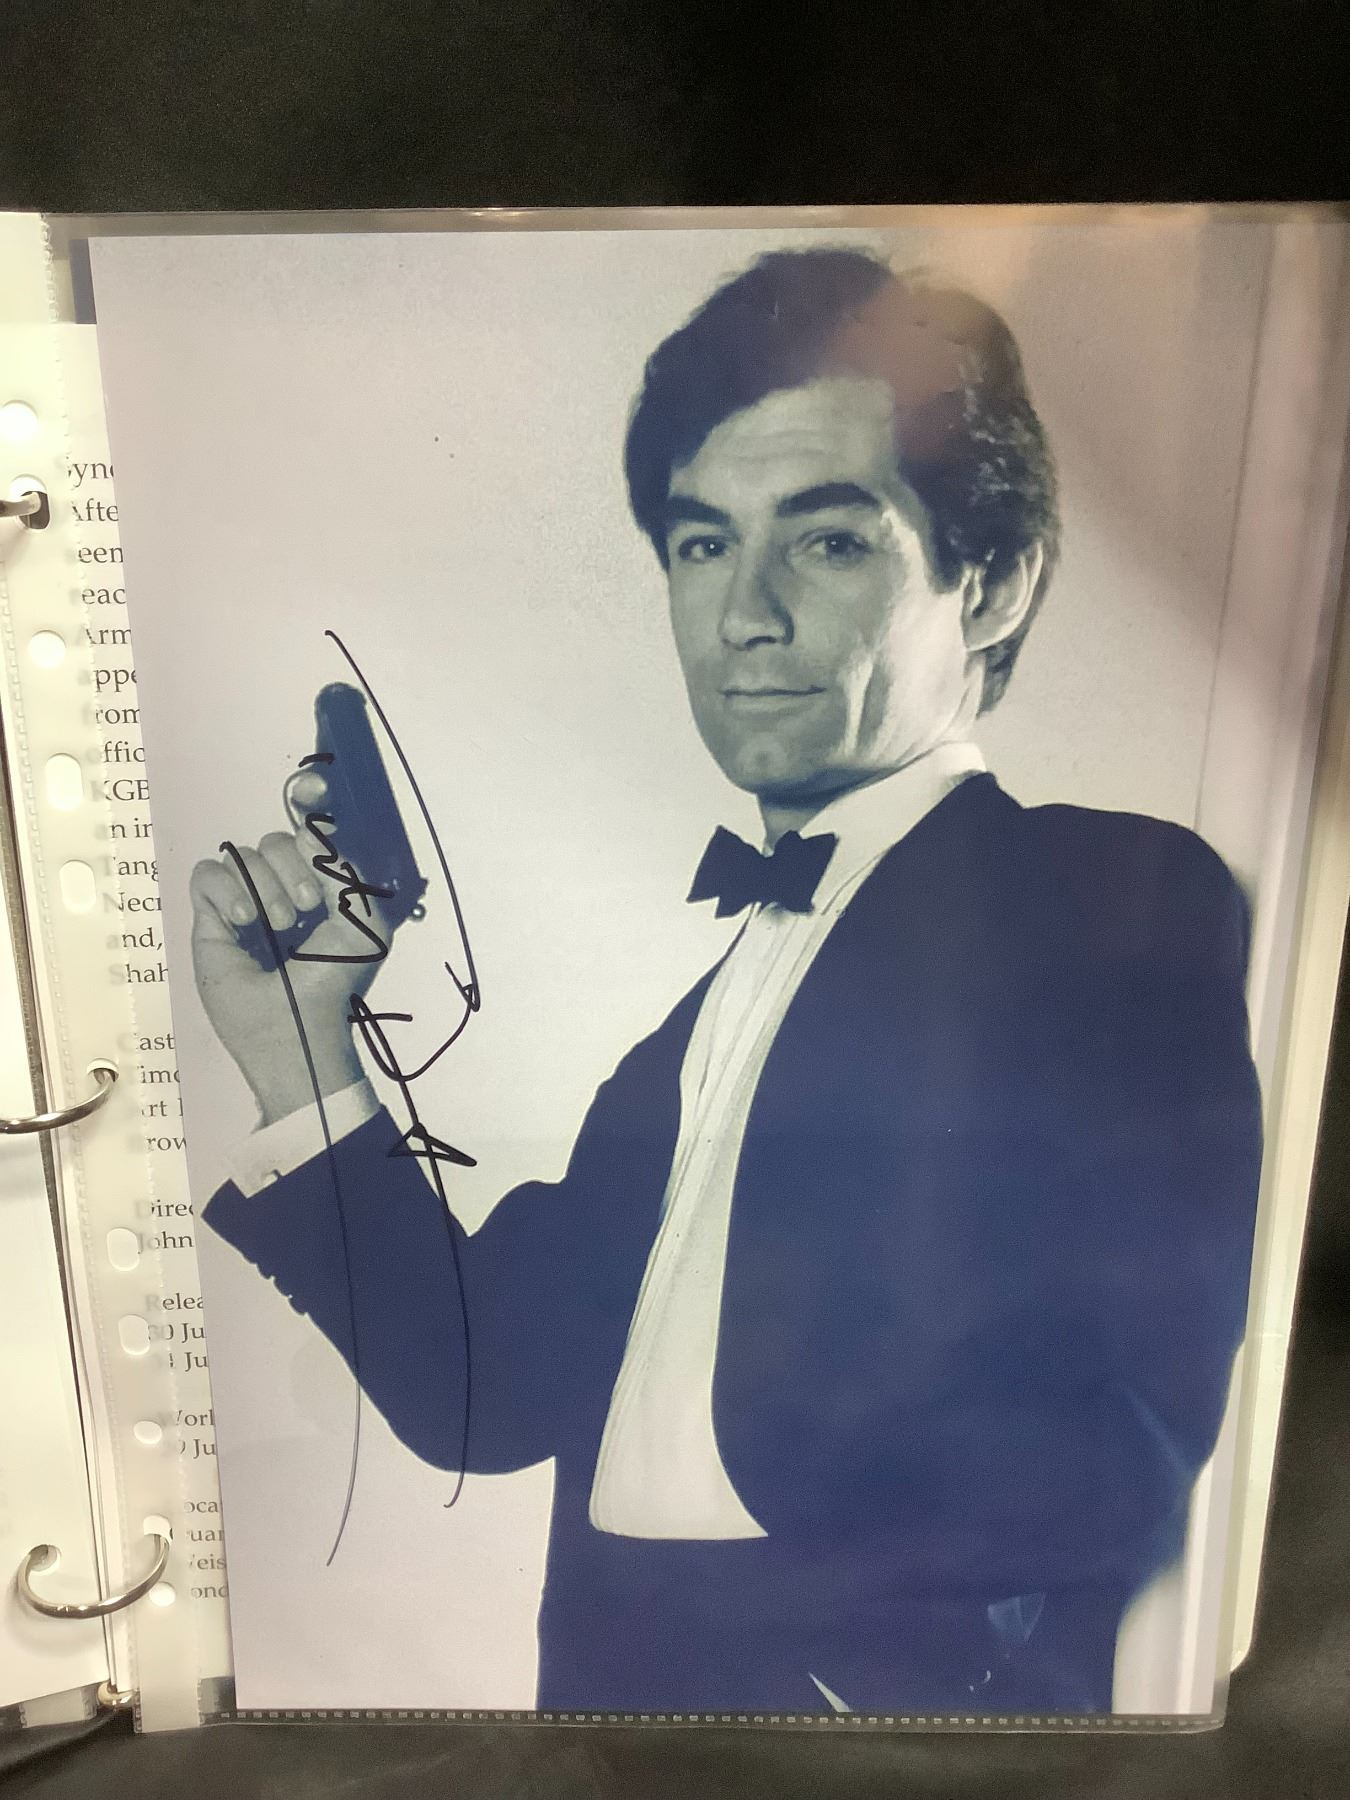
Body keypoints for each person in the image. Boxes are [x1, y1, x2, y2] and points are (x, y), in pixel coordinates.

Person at [195, 247, 1263, 1716]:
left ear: (994, 583)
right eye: (703, 545)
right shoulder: (688, 1044)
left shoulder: (1103, 898)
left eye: (827, 542)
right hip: (616, 1733)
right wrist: (301, 1050)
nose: (744, 615)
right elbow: (482, 1396)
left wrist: (853, 1668)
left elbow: (1132, 1422)